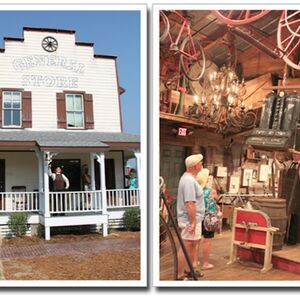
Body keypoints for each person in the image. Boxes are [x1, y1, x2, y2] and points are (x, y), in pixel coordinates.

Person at [176, 154, 205, 280]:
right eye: (200, 162)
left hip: (195, 219)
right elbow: (189, 203)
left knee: (193, 244)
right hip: (190, 220)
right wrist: (193, 222)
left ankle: (188, 270)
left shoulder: (190, 179)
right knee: (186, 245)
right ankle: (180, 274)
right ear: (194, 166)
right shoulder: (188, 180)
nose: (202, 164)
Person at [196, 168, 221, 270]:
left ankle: (195, 261)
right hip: (209, 219)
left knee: (196, 241)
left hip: (198, 218)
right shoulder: (211, 191)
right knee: (207, 241)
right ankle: (205, 263)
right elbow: (217, 200)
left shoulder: (195, 190)